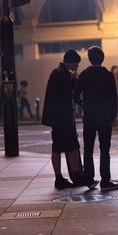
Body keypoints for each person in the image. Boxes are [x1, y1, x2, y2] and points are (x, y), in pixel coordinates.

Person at [74, 46, 118, 191]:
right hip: (105, 117)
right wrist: (113, 116)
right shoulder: (108, 75)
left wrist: (83, 105)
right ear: (102, 58)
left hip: (89, 116)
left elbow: (75, 95)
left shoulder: (84, 75)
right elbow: (114, 98)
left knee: (88, 149)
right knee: (105, 150)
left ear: (89, 58)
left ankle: (89, 179)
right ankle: (105, 181)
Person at [41, 49, 85, 189]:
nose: (77, 67)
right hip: (62, 118)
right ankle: (67, 177)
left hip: (60, 117)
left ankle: (64, 177)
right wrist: (73, 78)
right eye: (76, 64)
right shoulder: (59, 73)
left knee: (64, 147)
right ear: (70, 63)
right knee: (67, 147)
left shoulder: (60, 73)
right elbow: (67, 92)